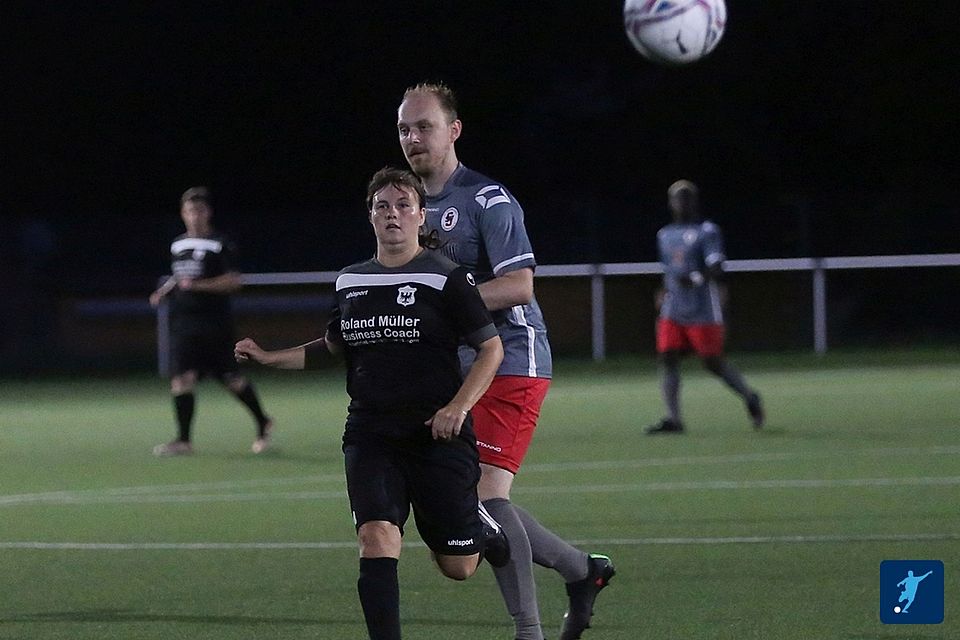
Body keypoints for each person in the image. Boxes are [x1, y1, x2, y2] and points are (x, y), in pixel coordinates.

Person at [234, 167, 510, 640]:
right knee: (376, 537)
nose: (392, 214)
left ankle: (481, 528)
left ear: (421, 215)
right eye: (383, 206)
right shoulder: (350, 281)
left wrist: (458, 407)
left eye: (403, 205)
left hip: (437, 433)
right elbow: (333, 348)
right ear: (370, 216)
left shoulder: (447, 277)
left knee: (458, 566)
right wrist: (268, 357)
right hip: (371, 434)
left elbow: (491, 349)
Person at [397, 82, 614, 640]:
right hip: (460, 370)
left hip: (513, 357)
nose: (413, 138)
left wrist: (443, 307)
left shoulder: (487, 199)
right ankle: (581, 571)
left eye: (424, 126)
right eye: (404, 129)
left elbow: (518, 285)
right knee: (469, 506)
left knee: (486, 499)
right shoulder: (408, 208)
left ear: (454, 130)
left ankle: (528, 630)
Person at [149, 187, 273, 455]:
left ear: (208, 213)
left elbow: (233, 281)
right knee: (181, 379)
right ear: (183, 214)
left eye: (199, 210)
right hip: (184, 324)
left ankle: (263, 421)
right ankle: (184, 441)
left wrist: (198, 286)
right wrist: (165, 291)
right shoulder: (177, 245)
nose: (194, 216)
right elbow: (179, 276)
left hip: (214, 323)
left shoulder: (220, 244)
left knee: (231, 379)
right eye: (189, 211)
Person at [646, 179, 764, 434]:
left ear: (694, 202)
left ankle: (749, 396)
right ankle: (674, 419)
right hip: (673, 307)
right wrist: (662, 291)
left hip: (702, 307)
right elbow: (668, 270)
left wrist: (696, 278)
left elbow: (717, 266)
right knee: (667, 356)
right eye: (678, 198)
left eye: (687, 198)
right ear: (670, 203)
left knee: (712, 362)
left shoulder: (707, 231)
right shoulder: (664, 234)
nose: (682, 203)